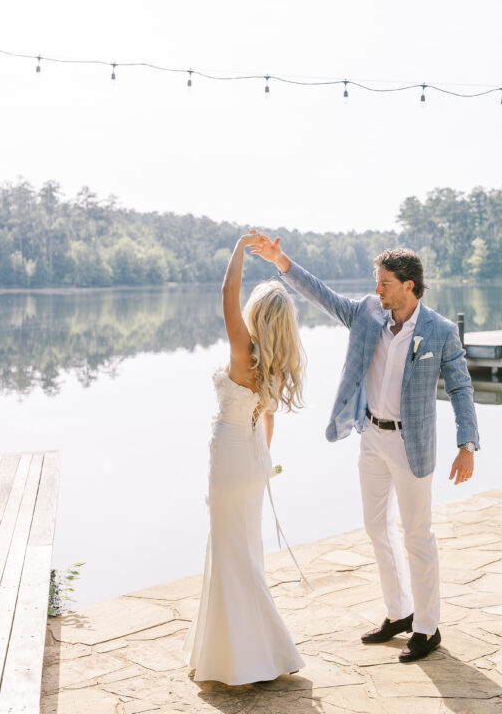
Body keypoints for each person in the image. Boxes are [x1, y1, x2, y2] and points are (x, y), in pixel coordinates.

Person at [251, 234, 479, 664]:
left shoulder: (440, 331)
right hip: (371, 436)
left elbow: (462, 387)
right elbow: (322, 296)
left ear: (409, 286)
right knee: (376, 528)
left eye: (385, 283)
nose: (377, 289)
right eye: (377, 282)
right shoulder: (368, 315)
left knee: (417, 534)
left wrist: (466, 444)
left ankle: (428, 628)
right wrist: (283, 261)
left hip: (414, 446)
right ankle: (399, 613)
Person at [183, 233, 306, 685]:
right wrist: (266, 464)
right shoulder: (272, 362)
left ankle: (263, 654)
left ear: (257, 316)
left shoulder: (242, 352)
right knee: (242, 554)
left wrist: (238, 246)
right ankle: (247, 653)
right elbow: (267, 420)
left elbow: (225, 293)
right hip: (253, 463)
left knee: (231, 556)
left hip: (233, 463)